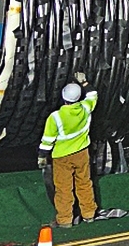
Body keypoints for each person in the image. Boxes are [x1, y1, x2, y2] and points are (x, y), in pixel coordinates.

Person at [39, 72, 100, 227]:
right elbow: (93, 95)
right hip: (82, 153)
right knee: (85, 183)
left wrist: (42, 155)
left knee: (64, 188)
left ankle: (65, 219)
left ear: (63, 96)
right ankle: (89, 214)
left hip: (62, 157)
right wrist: (84, 82)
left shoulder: (56, 117)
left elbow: (47, 140)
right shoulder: (85, 108)